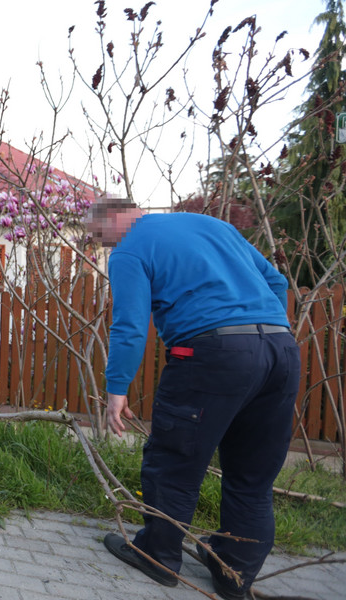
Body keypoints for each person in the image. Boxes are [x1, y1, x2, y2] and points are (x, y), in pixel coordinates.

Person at [90, 198, 298, 600]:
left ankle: (157, 556)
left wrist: (116, 389)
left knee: (175, 461)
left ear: (116, 218)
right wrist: (268, 332)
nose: (104, 245)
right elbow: (276, 282)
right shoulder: (211, 225)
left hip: (212, 355)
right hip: (281, 351)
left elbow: (130, 325)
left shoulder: (130, 246)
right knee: (253, 478)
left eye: (100, 235)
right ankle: (232, 574)